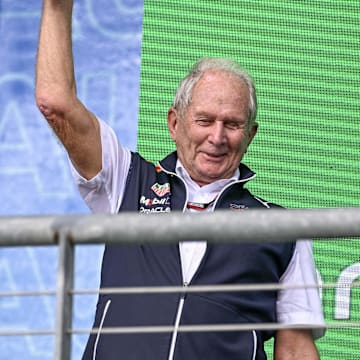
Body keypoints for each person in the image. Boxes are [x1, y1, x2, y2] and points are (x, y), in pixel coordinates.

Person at [36, 1, 325, 359]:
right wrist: (57, 7)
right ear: (175, 123)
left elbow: (295, 350)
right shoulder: (128, 180)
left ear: (250, 135)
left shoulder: (285, 230)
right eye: (204, 120)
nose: (217, 137)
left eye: (232, 125)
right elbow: (56, 103)